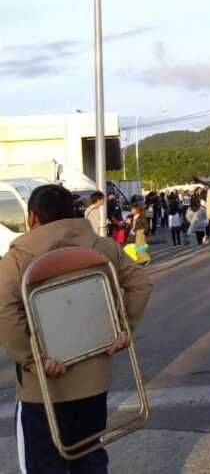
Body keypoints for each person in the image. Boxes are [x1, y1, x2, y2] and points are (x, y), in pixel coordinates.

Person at [0, 184, 152, 474]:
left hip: (43, 389)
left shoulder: (16, 260)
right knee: (90, 458)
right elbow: (141, 283)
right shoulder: (103, 247)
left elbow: (5, 313)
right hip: (93, 383)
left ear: (32, 217)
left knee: (44, 464)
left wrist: (35, 360)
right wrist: (121, 328)